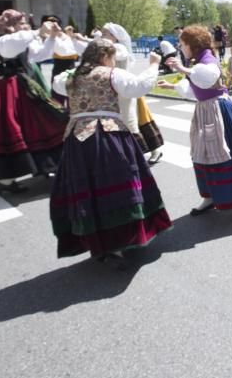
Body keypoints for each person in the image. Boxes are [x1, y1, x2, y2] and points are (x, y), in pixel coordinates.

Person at [49, 39, 172, 262]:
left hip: (77, 139)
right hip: (108, 136)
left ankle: (99, 241)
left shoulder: (70, 76)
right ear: (105, 56)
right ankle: (119, 241)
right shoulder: (111, 74)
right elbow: (139, 87)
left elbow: (57, 83)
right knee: (118, 188)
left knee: (89, 190)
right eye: (112, 57)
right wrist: (154, 64)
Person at [160, 25, 232, 222]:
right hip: (205, 111)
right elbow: (196, 88)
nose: (180, 48)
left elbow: (207, 77)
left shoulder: (208, 59)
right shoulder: (197, 61)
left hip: (219, 111)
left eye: (182, 44)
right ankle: (210, 196)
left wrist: (182, 68)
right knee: (204, 155)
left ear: (192, 44)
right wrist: (174, 85)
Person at [0, 10, 67, 193]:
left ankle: (48, 165)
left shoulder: (22, 39)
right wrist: (38, 32)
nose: (25, 25)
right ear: (10, 25)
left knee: (44, 122)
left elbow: (40, 55)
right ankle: (6, 181)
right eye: (21, 22)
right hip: (6, 90)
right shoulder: (2, 41)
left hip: (22, 86)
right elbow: (18, 41)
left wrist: (50, 37)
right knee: (11, 129)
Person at [100, 22, 164, 165]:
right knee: (130, 121)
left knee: (129, 123)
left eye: (106, 33)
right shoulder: (105, 48)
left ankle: (136, 156)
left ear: (115, 37)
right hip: (114, 91)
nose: (102, 36)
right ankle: (141, 154)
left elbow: (117, 53)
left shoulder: (119, 48)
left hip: (125, 91)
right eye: (102, 33)